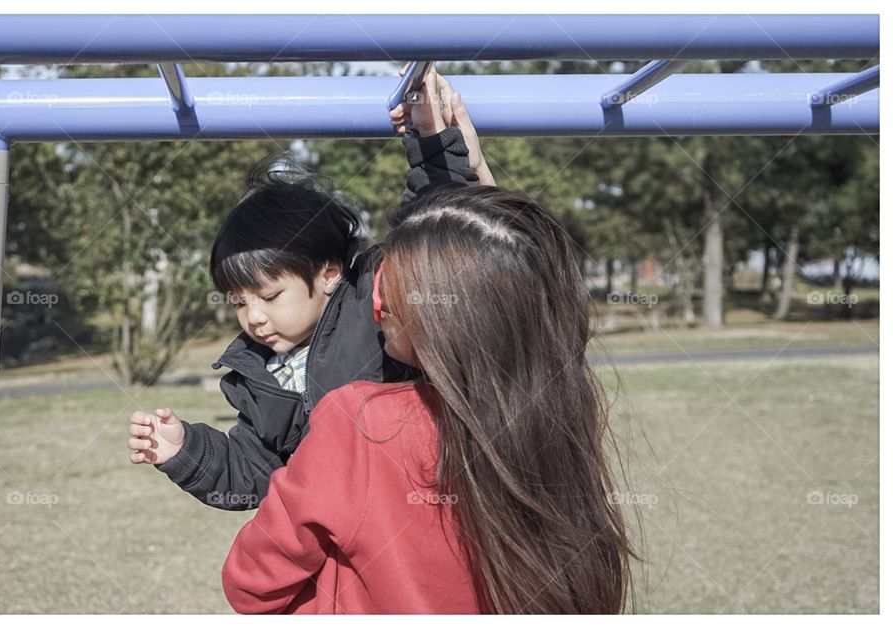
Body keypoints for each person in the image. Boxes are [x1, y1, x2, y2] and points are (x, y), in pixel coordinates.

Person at [222, 185, 634, 614]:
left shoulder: (360, 423)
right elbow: (510, 261)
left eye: (394, 279)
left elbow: (250, 582)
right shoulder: (556, 414)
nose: (377, 298)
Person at [126, 68, 494, 510]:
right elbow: (256, 472)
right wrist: (186, 451)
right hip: (341, 532)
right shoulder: (260, 375)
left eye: (270, 296)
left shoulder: (372, 302)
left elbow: (429, 227)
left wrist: (431, 142)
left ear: (328, 274)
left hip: (417, 504)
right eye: (239, 302)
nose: (254, 318)